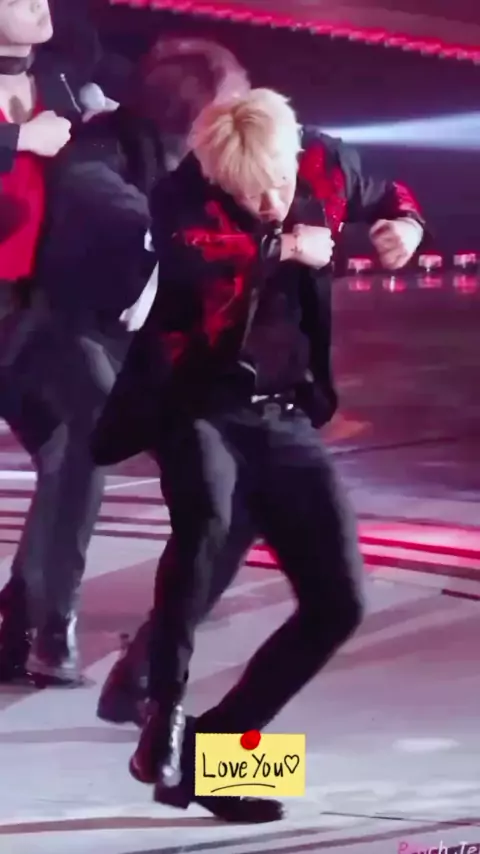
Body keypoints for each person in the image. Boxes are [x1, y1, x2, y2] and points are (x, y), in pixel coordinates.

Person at [92, 88, 425, 821]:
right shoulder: (182, 194)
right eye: (252, 195)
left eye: (279, 184)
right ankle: (161, 712)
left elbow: (391, 193)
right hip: (195, 401)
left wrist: (406, 225)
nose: (273, 202)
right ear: (218, 178)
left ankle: (213, 757)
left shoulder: (326, 163)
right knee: (206, 525)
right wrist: (286, 247)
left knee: (340, 602)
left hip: (283, 413)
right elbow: (194, 258)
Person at [0, 31, 250, 686]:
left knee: (227, 474)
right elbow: (102, 194)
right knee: (88, 438)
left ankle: (72, 633)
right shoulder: (100, 155)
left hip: (97, 329)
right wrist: (17, 140)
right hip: (51, 322)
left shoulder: (62, 80)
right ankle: (46, 625)